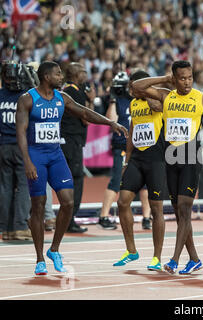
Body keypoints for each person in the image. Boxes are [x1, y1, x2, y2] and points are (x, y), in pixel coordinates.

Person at [16, 61, 127, 275]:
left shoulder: (62, 98)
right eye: (58, 74)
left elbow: (85, 113)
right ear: (46, 77)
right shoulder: (27, 99)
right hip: (36, 156)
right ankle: (40, 259)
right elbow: (21, 132)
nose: (61, 77)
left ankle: (54, 249)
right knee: (38, 206)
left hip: (55, 155)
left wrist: (110, 123)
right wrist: (27, 161)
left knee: (68, 202)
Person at [131, 60, 203, 274]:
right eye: (182, 78)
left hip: (191, 156)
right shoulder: (166, 95)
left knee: (184, 209)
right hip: (171, 157)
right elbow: (137, 87)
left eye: (190, 77)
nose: (187, 82)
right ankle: (194, 259)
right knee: (178, 211)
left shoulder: (201, 99)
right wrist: (165, 79)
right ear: (175, 78)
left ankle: (174, 259)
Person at [112, 70, 166, 271]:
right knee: (122, 201)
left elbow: (159, 107)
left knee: (156, 208)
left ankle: (157, 257)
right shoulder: (134, 104)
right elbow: (133, 130)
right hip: (137, 158)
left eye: (135, 86)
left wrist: (150, 95)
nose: (131, 90)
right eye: (130, 87)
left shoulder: (156, 100)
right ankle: (131, 250)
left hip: (156, 159)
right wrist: (126, 160)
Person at [98, 73, 151, 230]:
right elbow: (111, 119)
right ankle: (104, 216)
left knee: (146, 184)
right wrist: (113, 99)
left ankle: (147, 217)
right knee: (116, 180)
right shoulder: (121, 101)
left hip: (141, 146)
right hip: (122, 145)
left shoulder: (143, 101)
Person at [60, 62, 96, 233]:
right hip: (73, 141)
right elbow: (87, 119)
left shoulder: (64, 90)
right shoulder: (76, 92)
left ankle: (65, 218)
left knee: (65, 179)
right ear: (75, 74)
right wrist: (91, 100)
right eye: (83, 71)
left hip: (64, 140)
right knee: (76, 179)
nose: (85, 74)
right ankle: (69, 220)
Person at [0, 61, 32, 241]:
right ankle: (19, 226)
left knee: (4, 186)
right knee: (23, 186)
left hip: (3, 145)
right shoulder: (25, 96)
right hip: (22, 146)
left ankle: (4, 227)